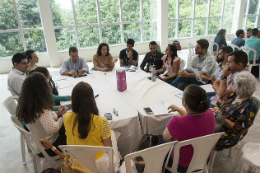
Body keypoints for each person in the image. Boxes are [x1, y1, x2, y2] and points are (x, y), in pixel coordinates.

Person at [63, 82, 120, 172]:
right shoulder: (101, 121)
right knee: (113, 135)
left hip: (76, 162)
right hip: (98, 164)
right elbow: (108, 148)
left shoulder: (66, 117)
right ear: (92, 99)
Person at [163, 84, 215, 173]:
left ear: (184, 102)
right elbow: (193, 120)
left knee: (160, 141)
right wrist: (179, 110)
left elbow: (165, 138)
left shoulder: (176, 122)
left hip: (181, 166)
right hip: (203, 160)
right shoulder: (210, 113)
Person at [16, 72, 68, 156]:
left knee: (68, 127)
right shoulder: (41, 108)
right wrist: (61, 118)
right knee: (75, 132)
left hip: (39, 144)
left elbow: (43, 119)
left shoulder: (27, 104)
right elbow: (53, 128)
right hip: (50, 147)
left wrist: (58, 113)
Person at [212, 71, 258, 151]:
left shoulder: (249, 107)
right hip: (218, 121)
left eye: (234, 83)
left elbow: (239, 130)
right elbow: (219, 102)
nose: (232, 84)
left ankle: (201, 155)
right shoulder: (235, 94)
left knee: (201, 133)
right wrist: (217, 109)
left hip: (229, 134)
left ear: (241, 87)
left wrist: (221, 117)